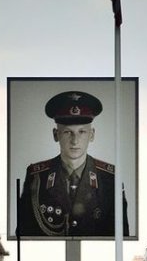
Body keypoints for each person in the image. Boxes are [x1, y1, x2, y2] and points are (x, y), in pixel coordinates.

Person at [17, 90, 129, 238]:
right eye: (68, 132)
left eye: (82, 132)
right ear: (56, 135)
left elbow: (121, 236)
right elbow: (25, 233)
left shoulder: (110, 178)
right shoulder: (37, 177)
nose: (75, 141)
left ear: (92, 135)